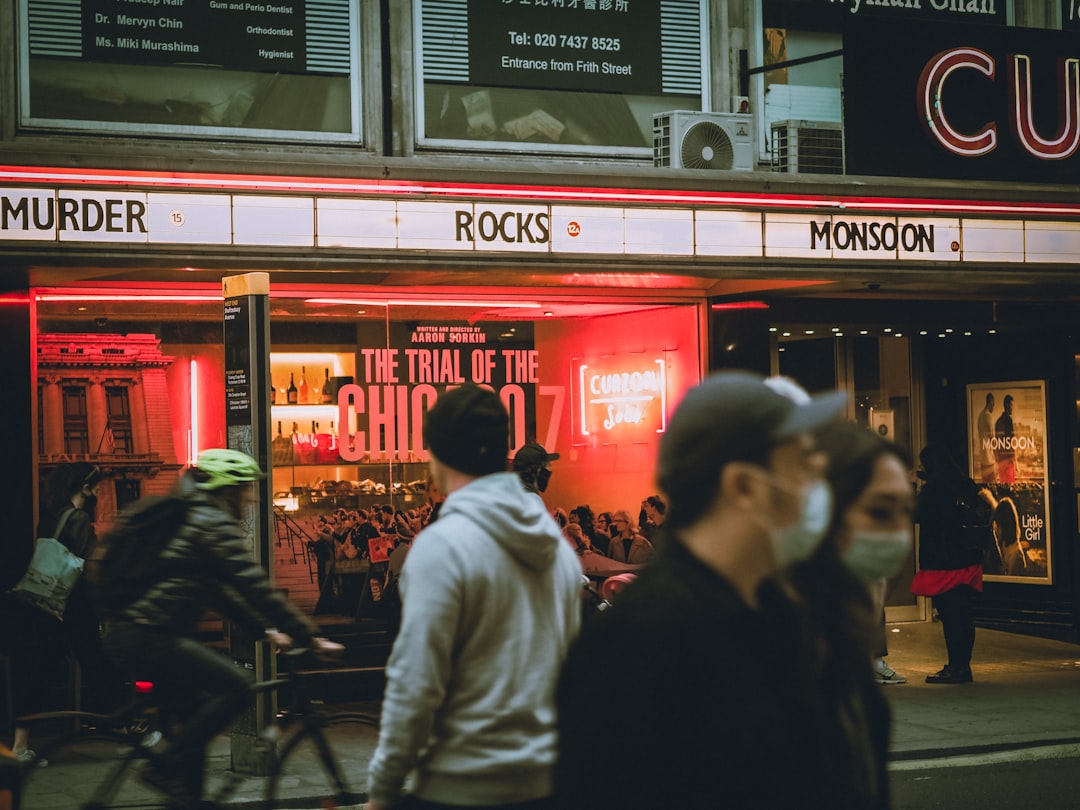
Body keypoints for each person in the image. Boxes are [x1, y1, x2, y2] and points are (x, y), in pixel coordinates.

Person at [554, 370, 846, 809]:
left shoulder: (783, 611)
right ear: (743, 485)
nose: (821, 475)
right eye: (801, 462)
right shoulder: (640, 638)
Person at [366, 384, 582, 810]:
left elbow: (415, 685)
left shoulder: (441, 547)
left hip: (460, 785)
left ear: (437, 454)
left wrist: (383, 788)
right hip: (546, 783)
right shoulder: (558, 551)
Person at [99, 449, 339, 806]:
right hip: (150, 634)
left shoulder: (193, 515)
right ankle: (164, 766)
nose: (250, 498)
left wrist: (266, 631)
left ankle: (186, 796)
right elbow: (252, 584)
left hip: (138, 631)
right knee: (239, 687)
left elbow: (218, 591)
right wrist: (309, 635)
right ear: (227, 489)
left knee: (195, 722)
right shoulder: (210, 521)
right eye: (245, 489)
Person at [782, 421, 915, 809]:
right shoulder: (762, 659)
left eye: (906, 512)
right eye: (879, 511)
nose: (899, 534)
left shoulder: (845, 659)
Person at [3, 462, 127, 765]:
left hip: (41, 605)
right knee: (99, 664)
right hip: (70, 607)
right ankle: (131, 730)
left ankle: (20, 745)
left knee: (35, 673)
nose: (98, 491)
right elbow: (92, 568)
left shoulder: (50, 517)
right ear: (84, 488)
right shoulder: (79, 520)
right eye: (95, 486)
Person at [911, 443, 991, 684]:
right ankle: (963, 664)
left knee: (950, 613)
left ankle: (956, 667)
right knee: (964, 613)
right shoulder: (964, 483)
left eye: (923, 464)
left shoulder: (935, 489)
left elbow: (916, 513)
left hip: (945, 560)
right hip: (968, 558)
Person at [994, 393, 1016, 483]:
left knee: (1003, 485)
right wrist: (1013, 457)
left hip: (1000, 460)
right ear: (1006, 405)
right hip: (1008, 460)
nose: (1012, 407)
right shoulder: (1008, 420)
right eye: (1011, 405)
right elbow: (1011, 440)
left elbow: (996, 442)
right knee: (1010, 485)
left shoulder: (998, 421)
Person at [976, 392, 997, 483]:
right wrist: (996, 456)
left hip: (982, 459)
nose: (993, 407)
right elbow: (992, 438)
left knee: (985, 486)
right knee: (993, 485)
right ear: (990, 402)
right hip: (989, 460)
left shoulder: (980, 416)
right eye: (993, 404)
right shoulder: (988, 416)